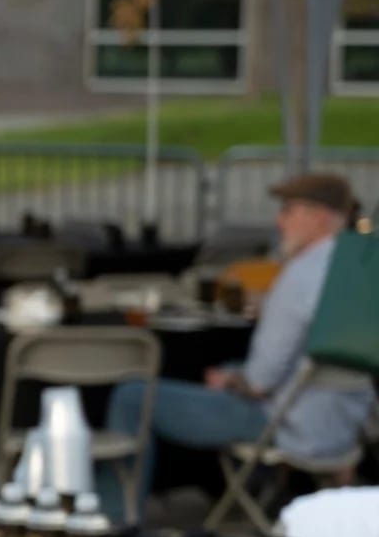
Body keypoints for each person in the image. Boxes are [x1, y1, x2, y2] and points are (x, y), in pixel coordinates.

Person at [103, 171, 374, 518]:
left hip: (289, 424)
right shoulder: (363, 271)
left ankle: (116, 521)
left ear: (318, 217)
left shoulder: (300, 276)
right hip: (344, 426)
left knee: (131, 397)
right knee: (228, 371)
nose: (279, 221)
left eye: (288, 210)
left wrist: (232, 381)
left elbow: (260, 382)